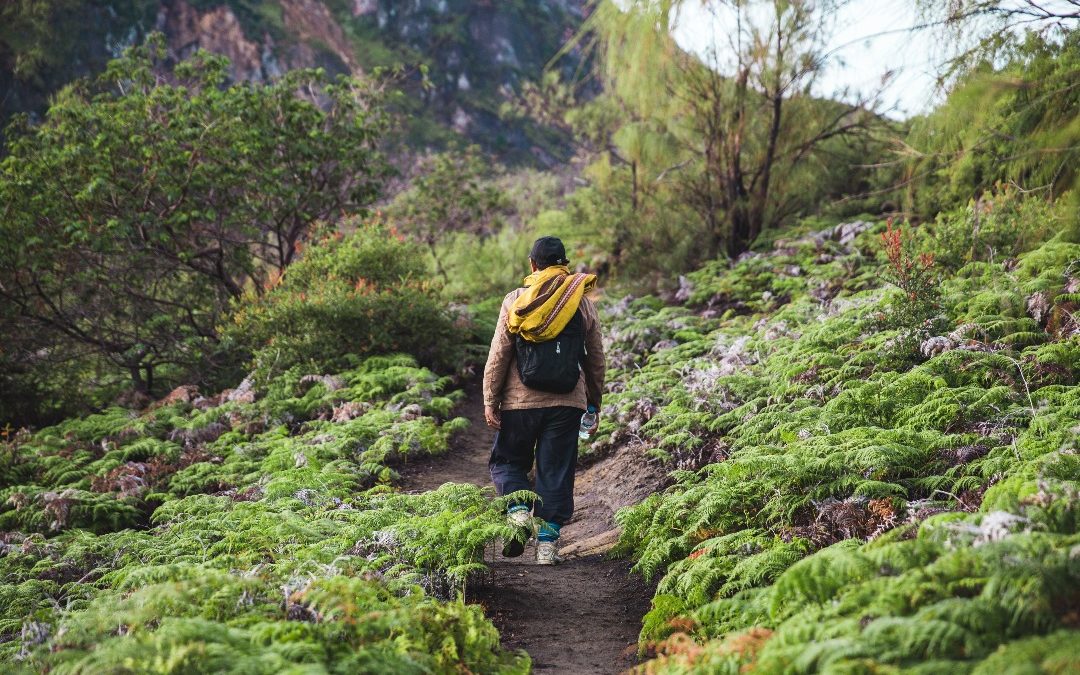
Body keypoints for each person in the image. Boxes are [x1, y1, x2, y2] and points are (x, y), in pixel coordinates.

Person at [483, 236, 606, 565]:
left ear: (532, 264)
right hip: (567, 403)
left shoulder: (516, 300)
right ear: (564, 264)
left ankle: (519, 511)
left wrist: (489, 399)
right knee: (556, 471)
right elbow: (595, 358)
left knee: (507, 462)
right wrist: (593, 402)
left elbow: (499, 354)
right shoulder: (581, 301)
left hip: (518, 402)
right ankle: (548, 548)